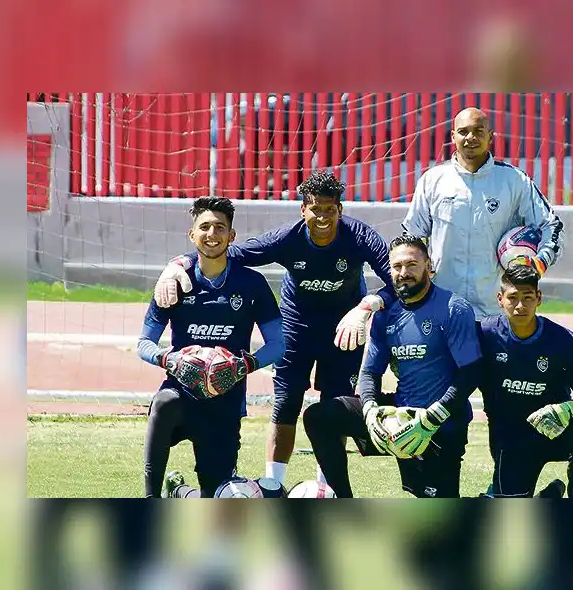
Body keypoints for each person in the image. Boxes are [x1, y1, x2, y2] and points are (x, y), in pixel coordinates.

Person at [149, 171, 396, 488]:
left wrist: (366, 307)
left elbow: (397, 281)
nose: (321, 216)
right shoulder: (287, 238)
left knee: (335, 406)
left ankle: (327, 487)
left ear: (340, 210)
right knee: (287, 402)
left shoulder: (360, 237)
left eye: (329, 209)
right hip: (297, 325)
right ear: (302, 210)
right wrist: (178, 264)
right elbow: (227, 250)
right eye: (314, 208)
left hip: (344, 326)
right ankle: (273, 484)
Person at [301, 235, 483, 498]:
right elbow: (370, 372)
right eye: (397, 266)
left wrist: (434, 416)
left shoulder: (453, 309)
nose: (403, 273)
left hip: (441, 426)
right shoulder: (387, 314)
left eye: (412, 265)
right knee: (320, 416)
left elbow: (471, 372)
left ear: (428, 266)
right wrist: (371, 411)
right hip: (399, 416)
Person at [137, 196, 285, 498]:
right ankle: (150, 499)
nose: (212, 234)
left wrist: (247, 364)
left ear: (231, 236)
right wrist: (169, 358)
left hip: (225, 403)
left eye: (220, 227)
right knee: (164, 403)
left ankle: (179, 492)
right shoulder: (173, 282)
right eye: (204, 227)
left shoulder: (252, 284)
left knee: (216, 496)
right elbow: (143, 343)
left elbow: (278, 345)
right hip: (181, 395)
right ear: (192, 234)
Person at [401, 106, 564, 318]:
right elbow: (411, 236)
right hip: (443, 306)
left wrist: (539, 263)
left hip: (495, 308)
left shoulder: (514, 180)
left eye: (478, 131)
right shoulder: (432, 180)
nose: (471, 137)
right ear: (453, 136)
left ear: (490, 137)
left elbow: (551, 226)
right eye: (463, 131)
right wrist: (421, 267)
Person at [476, 264, 573, 497]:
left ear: (539, 298)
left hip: (554, 431)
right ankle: (550, 496)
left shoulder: (564, 341)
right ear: (500, 299)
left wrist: (567, 409)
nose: (521, 306)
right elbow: (463, 376)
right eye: (513, 298)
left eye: (528, 298)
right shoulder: (485, 334)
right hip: (511, 438)